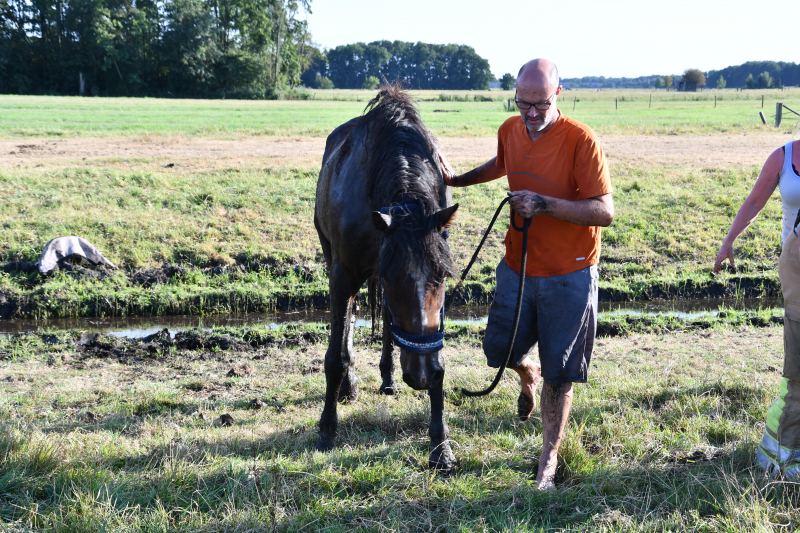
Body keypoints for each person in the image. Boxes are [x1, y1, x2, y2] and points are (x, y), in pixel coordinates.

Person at [444, 59, 614, 489]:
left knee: (561, 373)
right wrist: (456, 179)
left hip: (569, 274)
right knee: (497, 350)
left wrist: (544, 205)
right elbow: (501, 163)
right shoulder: (510, 128)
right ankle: (527, 373)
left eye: (540, 104)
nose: (531, 113)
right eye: (524, 103)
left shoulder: (581, 141)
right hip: (517, 267)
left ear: (558, 94)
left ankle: (549, 460)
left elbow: (604, 211)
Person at [714, 133, 800, 477]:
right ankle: (779, 456)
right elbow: (753, 203)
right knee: (798, 364)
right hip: (796, 267)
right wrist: (728, 242)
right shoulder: (783, 157)